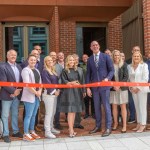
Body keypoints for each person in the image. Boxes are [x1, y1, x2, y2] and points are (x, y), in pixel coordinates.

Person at [86, 41, 114, 137]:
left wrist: (107, 78)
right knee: (96, 107)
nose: (95, 46)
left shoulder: (106, 56)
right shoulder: (89, 60)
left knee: (106, 107)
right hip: (95, 88)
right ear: (91, 47)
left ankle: (108, 128)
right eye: (93, 45)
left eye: (97, 45)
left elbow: (111, 70)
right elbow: (88, 74)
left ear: (99, 46)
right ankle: (98, 126)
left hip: (105, 86)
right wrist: (88, 87)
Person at [0, 49, 23, 143]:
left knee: (14, 114)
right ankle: (5, 134)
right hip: (7, 95)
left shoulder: (19, 66)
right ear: (7, 56)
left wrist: (18, 91)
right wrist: (14, 91)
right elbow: (4, 82)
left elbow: (21, 81)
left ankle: (15, 131)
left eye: (15, 55)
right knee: (5, 115)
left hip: (16, 96)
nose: (13, 56)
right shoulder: (2, 67)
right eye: (11, 55)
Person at [59, 55, 85, 137]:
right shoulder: (64, 70)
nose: (72, 62)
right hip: (69, 92)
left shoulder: (77, 70)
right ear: (67, 61)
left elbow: (80, 81)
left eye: (73, 60)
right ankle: (70, 130)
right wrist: (73, 83)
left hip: (77, 92)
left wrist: (82, 89)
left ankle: (72, 128)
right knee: (70, 111)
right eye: (70, 60)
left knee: (74, 111)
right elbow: (64, 81)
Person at [21, 54, 42, 141]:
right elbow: (27, 84)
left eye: (34, 60)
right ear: (28, 61)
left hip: (37, 96)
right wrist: (36, 92)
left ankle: (32, 131)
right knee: (28, 115)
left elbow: (40, 83)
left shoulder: (37, 70)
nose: (33, 61)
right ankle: (25, 134)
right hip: (29, 96)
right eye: (31, 60)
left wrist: (39, 91)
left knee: (34, 115)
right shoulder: (25, 70)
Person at [128, 51, 149, 132]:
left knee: (142, 107)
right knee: (137, 107)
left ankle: (143, 124)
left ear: (140, 57)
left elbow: (145, 79)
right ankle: (139, 123)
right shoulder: (129, 66)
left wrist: (138, 88)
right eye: (134, 56)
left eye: (138, 56)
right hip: (133, 90)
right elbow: (129, 79)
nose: (136, 57)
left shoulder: (144, 66)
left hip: (142, 90)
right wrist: (131, 88)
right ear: (132, 57)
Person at [110, 50, 128, 133]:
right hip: (113, 89)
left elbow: (126, 77)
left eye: (118, 55)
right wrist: (113, 85)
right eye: (115, 55)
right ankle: (116, 123)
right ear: (113, 56)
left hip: (122, 89)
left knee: (123, 106)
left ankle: (124, 125)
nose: (117, 57)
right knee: (114, 107)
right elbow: (109, 77)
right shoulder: (110, 65)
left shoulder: (124, 65)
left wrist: (119, 85)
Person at [42, 56, 60, 138]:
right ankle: (47, 131)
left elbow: (56, 82)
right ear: (45, 62)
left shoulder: (53, 71)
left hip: (55, 94)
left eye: (51, 60)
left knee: (53, 112)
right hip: (48, 95)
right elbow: (47, 83)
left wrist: (58, 90)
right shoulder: (45, 71)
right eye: (48, 60)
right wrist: (54, 92)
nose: (50, 61)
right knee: (48, 114)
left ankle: (51, 127)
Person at [80, 54, 95, 119]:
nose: (85, 58)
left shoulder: (92, 65)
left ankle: (93, 113)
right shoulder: (80, 66)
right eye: (83, 57)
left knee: (93, 99)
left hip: (93, 84)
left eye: (86, 57)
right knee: (86, 99)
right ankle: (87, 113)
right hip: (85, 84)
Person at [73, 54, 85, 129]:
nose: (76, 61)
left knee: (78, 107)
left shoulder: (80, 69)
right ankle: (72, 122)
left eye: (77, 59)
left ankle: (77, 122)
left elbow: (82, 80)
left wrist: (84, 90)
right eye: (75, 59)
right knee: (72, 107)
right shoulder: (68, 69)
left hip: (79, 91)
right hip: (71, 91)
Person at [54, 52, 65, 130]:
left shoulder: (67, 64)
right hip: (59, 89)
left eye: (62, 55)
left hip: (67, 89)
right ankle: (57, 122)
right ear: (57, 57)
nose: (61, 56)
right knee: (57, 106)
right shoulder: (55, 66)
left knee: (68, 104)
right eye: (59, 55)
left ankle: (68, 120)